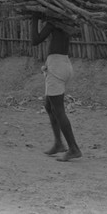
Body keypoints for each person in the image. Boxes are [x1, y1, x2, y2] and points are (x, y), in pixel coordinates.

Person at [31, 14, 82, 161]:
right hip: (64, 63)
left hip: (56, 67)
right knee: (49, 105)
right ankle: (59, 143)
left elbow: (35, 40)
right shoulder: (67, 21)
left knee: (58, 110)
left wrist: (34, 19)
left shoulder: (54, 21)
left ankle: (74, 148)